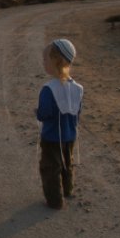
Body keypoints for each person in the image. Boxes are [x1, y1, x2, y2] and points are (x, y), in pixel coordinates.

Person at [36, 38, 84, 210]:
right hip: (70, 135)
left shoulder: (48, 89)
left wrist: (37, 113)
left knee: (50, 168)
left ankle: (54, 200)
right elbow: (78, 112)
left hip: (51, 137)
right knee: (67, 163)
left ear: (55, 61)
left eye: (45, 59)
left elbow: (44, 114)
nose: (43, 63)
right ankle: (68, 189)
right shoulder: (78, 88)